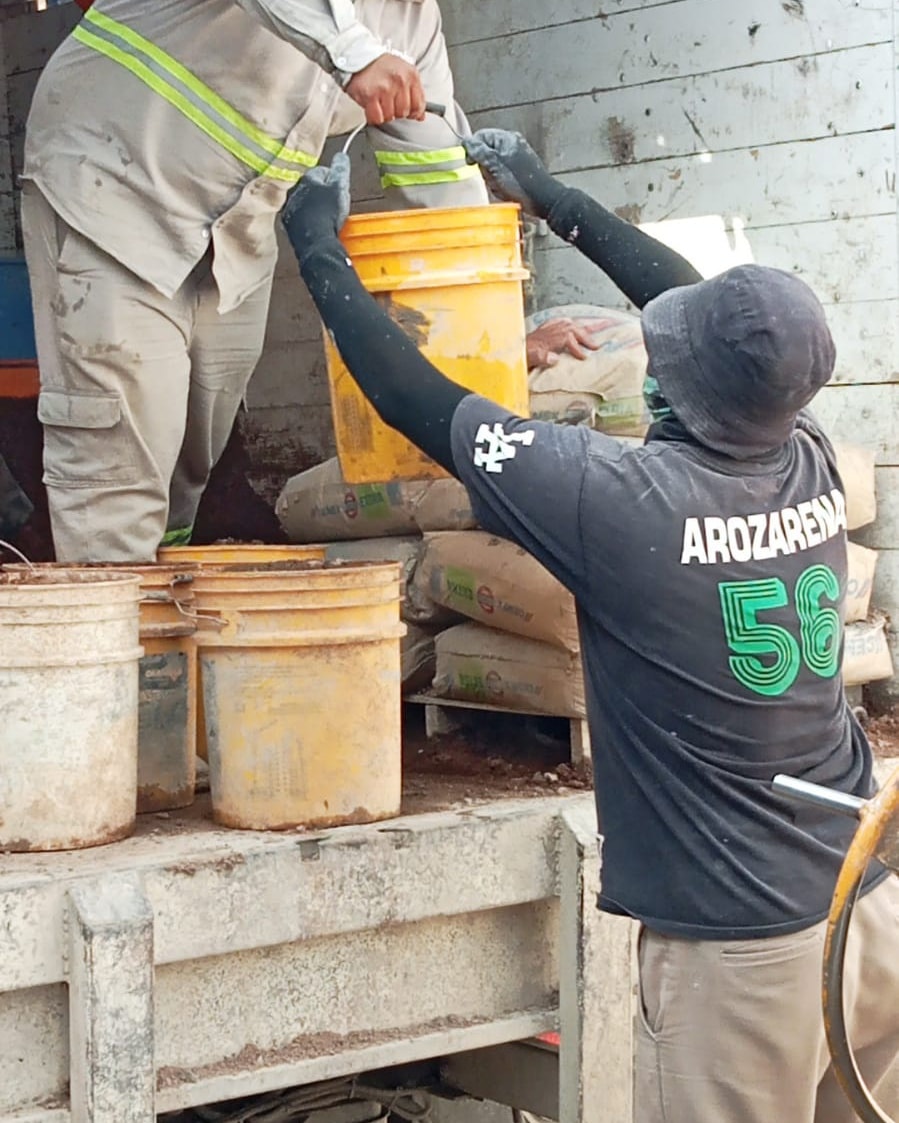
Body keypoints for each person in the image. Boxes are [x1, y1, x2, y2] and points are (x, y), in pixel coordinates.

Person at [280, 134, 899, 1122]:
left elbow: (412, 398)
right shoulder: (806, 455)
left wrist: (315, 243)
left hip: (741, 957)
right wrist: (550, 195)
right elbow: (707, 313)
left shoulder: (619, 502)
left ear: (684, 387)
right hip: (864, 904)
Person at [21, 0, 486, 563]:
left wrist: (493, 330)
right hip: (112, 185)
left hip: (230, 236)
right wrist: (354, 54)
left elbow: (441, 190)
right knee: (120, 460)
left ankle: (159, 595)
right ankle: (111, 613)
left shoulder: (413, 23)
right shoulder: (361, 43)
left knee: (189, 461)